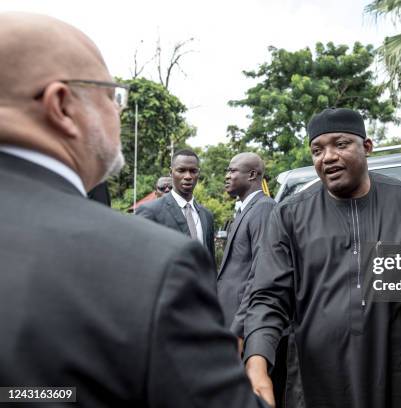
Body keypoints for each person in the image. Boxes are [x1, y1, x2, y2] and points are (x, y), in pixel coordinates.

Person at [0, 12, 264, 407]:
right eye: (111, 96)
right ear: (61, 106)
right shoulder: (150, 264)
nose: (118, 113)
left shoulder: (204, 220)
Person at [243, 108, 401, 408]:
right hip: (318, 380)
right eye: (317, 149)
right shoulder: (289, 215)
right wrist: (257, 364)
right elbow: (268, 297)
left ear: (367, 146)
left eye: (340, 144)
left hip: (399, 375)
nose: (328, 156)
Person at [218, 152, 275, 335]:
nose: (227, 176)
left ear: (251, 175)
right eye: (227, 171)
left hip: (244, 325)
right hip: (229, 316)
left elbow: (261, 272)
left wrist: (239, 328)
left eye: (232, 171)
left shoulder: (264, 208)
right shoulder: (245, 210)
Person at [136, 149, 216, 264]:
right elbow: (139, 258)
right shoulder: (150, 211)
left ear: (198, 173)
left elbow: (210, 260)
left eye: (193, 171)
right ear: (171, 172)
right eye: (181, 170)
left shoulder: (206, 215)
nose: (188, 176)